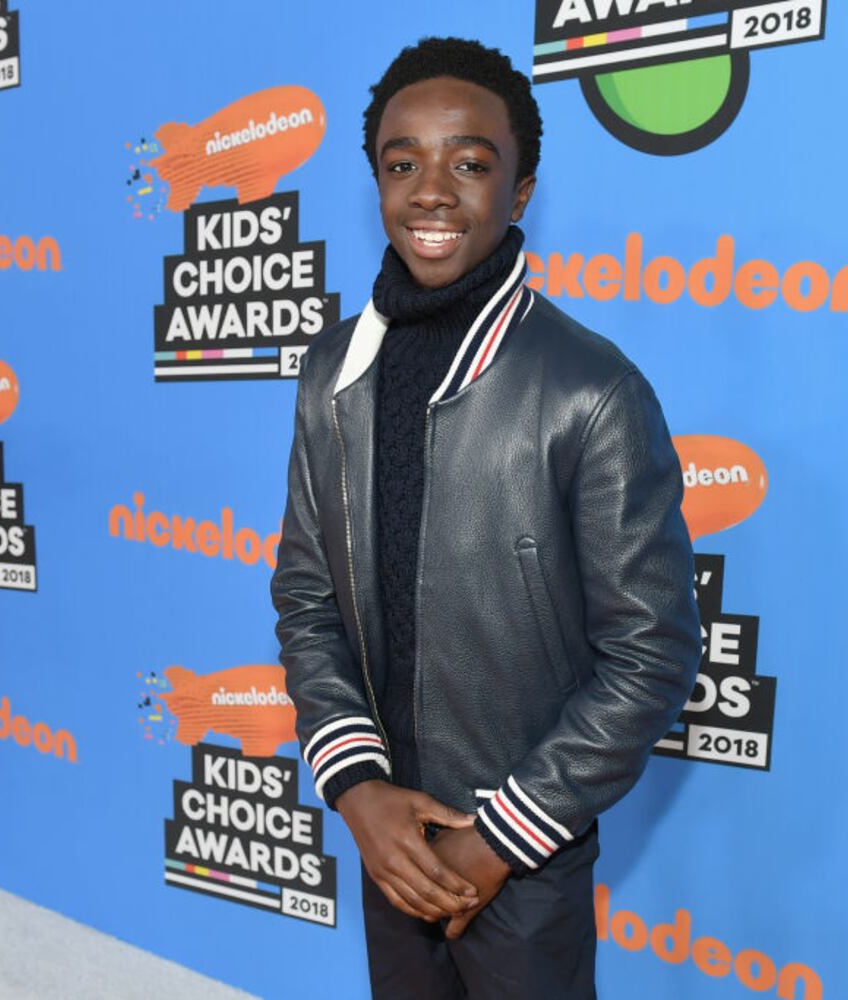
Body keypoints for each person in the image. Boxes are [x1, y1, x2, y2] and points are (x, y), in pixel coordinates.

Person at [271, 36, 700, 999]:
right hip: (386, 834)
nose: (431, 191)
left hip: (524, 854)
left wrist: (502, 836)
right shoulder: (331, 370)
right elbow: (306, 595)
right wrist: (358, 788)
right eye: (401, 165)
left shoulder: (590, 391)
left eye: (468, 164)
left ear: (519, 192)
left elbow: (651, 651)